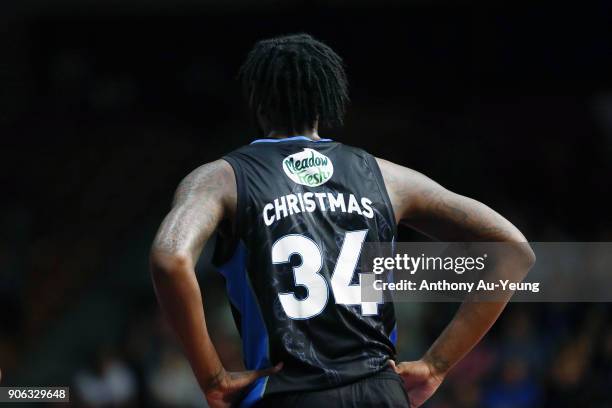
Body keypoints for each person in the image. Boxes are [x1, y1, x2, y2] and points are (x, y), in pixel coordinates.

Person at [150, 33, 535, 408]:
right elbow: (515, 250)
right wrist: (437, 365)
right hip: (380, 390)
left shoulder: (221, 179)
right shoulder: (386, 177)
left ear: (256, 101)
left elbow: (170, 259)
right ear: (327, 102)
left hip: (288, 389)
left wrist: (212, 378)